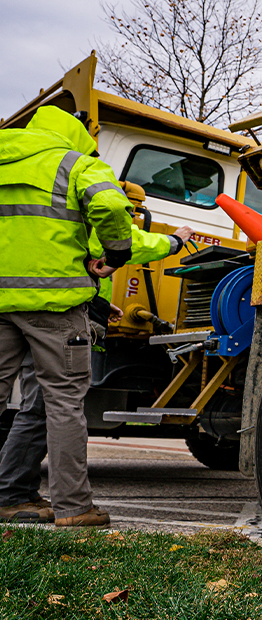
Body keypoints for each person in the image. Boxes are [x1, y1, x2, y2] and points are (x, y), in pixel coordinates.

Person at [0, 214, 194, 524]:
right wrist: (174, 241)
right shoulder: (75, 180)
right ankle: (17, 495)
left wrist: (99, 306)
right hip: (52, 311)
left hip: (17, 305)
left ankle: (17, 490)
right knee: (47, 407)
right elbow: (120, 242)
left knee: (35, 406)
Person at [0, 106, 135, 528]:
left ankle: (8, 497)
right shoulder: (75, 164)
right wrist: (116, 253)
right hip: (55, 305)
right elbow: (112, 204)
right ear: (76, 134)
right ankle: (74, 508)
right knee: (62, 403)